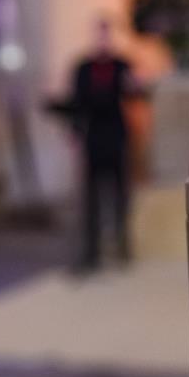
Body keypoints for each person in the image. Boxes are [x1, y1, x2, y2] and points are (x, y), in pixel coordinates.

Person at [63, 19, 138, 274]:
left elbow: (134, 93)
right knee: (92, 197)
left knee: (120, 194)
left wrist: (134, 85)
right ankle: (92, 251)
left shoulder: (121, 65)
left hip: (115, 135)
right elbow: (75, 102)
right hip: (93, 136)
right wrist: (74, 132)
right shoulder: (83, 68)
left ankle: (121, 244)